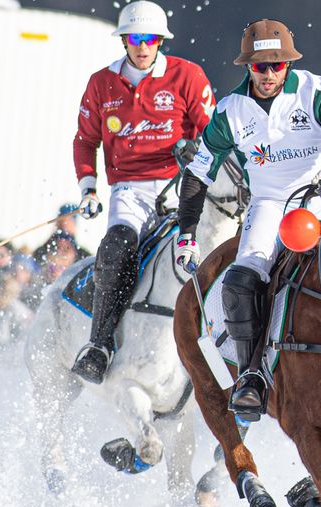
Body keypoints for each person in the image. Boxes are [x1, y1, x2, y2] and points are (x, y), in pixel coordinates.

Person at [176, 18, 321, 420]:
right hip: (270, 202)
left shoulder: (317, 90)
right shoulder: (230, 110)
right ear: (247, 66)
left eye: (276, 65)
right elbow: (198, 175)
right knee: (240, 279)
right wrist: (186, 235)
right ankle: (252, 376)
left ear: (288, 64)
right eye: (260, 66)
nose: (268, 74)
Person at [71, 1, 214, 384]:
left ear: (160, 41)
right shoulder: (102, 83)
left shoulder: (188, 76)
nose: (143, 46)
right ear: (124, 40)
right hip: (130, 191)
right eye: (135, 38)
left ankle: (232, 356)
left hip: (182, 186)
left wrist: (195, 151)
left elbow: (214, 135)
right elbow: (86, 141)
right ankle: (99, 344)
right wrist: (88, 188)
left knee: (217, 251)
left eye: (151, 38)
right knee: (116, 247)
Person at [32, 203, 91, 268]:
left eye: (68, 221)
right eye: (61, 221)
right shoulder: (42, 251)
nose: (64, 225)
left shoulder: (83, 257)